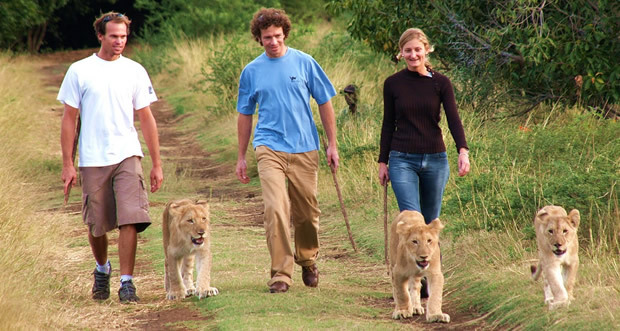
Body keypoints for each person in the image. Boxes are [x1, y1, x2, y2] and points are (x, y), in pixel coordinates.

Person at [58, 11, 163, 303]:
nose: (120, 42)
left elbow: (146, 118)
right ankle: (102, 269)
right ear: (101, 36)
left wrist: (156, 163)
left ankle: (127, 282)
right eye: (114, 36)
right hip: (92, 157)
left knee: (131, 217)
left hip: (127, 153)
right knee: (97, 224)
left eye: (124, 36)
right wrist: (68, 163)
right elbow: (69, 118)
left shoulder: (135, 71)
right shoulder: (80, 70)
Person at [235, 8, 339, 294]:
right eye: (267, 37)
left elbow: (325, 102)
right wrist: (241, 156)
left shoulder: (305, 63)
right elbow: (245, 114)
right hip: (269, 146)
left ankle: (307, 259)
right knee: (275, 209)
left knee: (307, 213)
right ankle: (281, 273)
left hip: (305, 147)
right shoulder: (252, 71)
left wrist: (332, 144)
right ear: (259, 39)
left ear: (285, 34)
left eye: (277, 36)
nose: (273, 42)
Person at [378, 27, 470, 224]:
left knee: (430, 223)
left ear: (427, 50)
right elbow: (388, 124)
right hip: (402, 160)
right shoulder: (393, 83)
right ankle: (408, 256)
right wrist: (382, 162)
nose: (413, 55)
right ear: (401, 52)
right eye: (408, 50)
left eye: (418, 49)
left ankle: (433, 256)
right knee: (412, 221)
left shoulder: (441, 83)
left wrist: (463, 151)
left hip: (435, 159)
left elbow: (454, 119)